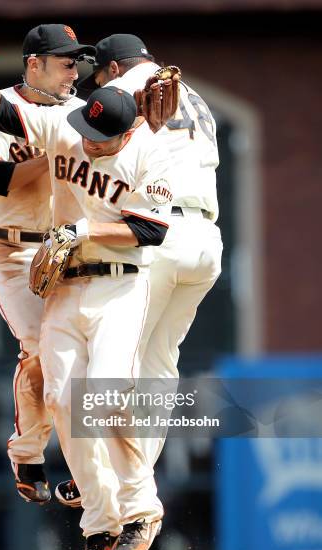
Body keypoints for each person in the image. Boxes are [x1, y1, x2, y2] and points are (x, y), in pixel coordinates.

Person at [0, 34, 176, 550]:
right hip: (60, 284)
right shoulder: (71, 128)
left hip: (118, 286)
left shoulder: (150, 150)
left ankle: (141, 509)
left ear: (125, 132)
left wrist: (80, 229)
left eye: (99, 134)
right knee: (63, 399)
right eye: (83, 127)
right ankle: (99, 523)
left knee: (102, 396)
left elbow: (149, 230)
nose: (85, 140)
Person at [56, 34, 223, 503]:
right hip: (206, 239)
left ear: (111, 68)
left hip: (158, 235)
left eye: (98, 77)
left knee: (111, 362)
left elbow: (88, 151)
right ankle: (135, 478)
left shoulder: (122, 90)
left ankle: (100, 478)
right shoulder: (196, 97)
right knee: (158, 366)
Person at [0, 25, 95, 504]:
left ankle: (84, 469)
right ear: (35, 63)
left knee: (79, 358)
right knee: (40, 346)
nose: (73, 72)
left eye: (76, 62)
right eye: (65, 62)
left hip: (68, 248)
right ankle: (28, 452)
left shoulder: (81, 113)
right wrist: (58, 153)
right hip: (13, 248)